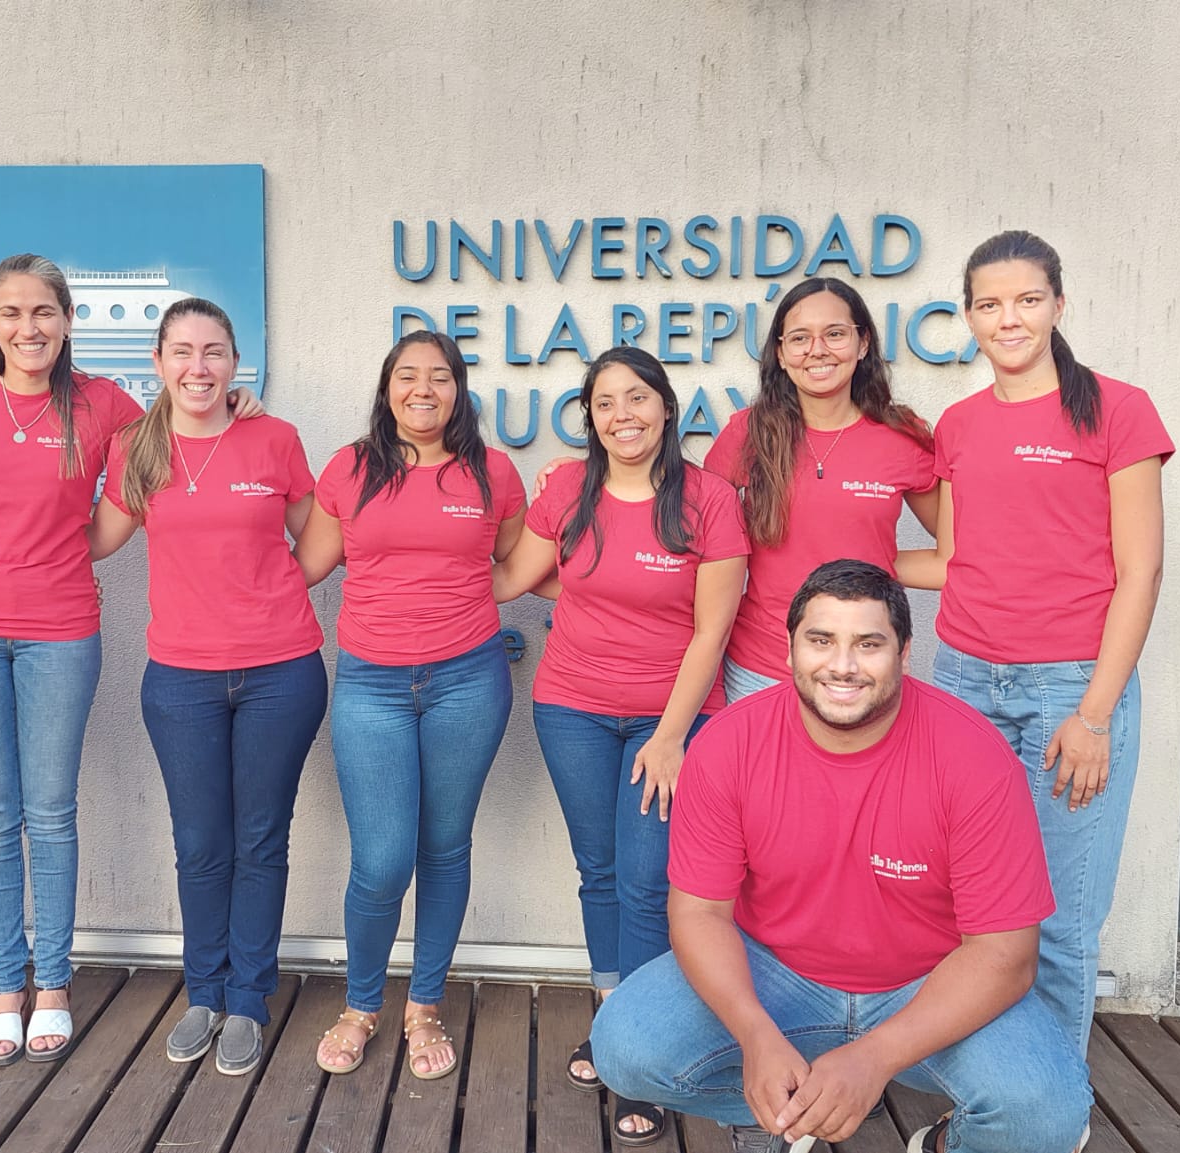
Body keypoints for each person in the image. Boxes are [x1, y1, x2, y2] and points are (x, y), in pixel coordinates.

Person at [589, 561, 1092, 1153]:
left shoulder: (973, 756)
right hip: (775, 973)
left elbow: (1006, 955)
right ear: (790, 649)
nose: (843, 665)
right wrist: (755, 1037)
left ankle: (938, 1141)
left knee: (1048, 1117)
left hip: (925, 980)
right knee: (624, 1050)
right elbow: (699, 914)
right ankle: (780, 1110)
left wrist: (875, 1059)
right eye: (821, 640)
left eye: (869, 644)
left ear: (905, 654)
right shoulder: (728, 743)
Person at [0, 255, 261, 1066]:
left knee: (51, 808)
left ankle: (52, 984)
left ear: (69, 320)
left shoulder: (105, 405)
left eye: (44, 311)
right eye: (11, 312)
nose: (28, 327)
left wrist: (245, 406)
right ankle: (5, 985)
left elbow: (186, 427)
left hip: (60, 627)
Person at [930, 230, 1172, 1069]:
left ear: (1059, 305)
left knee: (1060, 921)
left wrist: (1094, 714)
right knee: (970, 911)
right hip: (962, 681)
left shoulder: (1117, 408)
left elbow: (1141, 575)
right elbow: (955, 555)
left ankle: (1049, 1111)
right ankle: (992, 1090)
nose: (1009, 318)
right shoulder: (957, 425)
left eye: (1027, 300)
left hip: (1071, 689)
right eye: (989, 304)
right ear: (967, 316)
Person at [495, 345, 746, 1146]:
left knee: (645, 883)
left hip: (670, 722)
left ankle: (644, 1053)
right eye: (605, 402)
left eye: (637, 398)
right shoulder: (570, 489)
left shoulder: (708, 497)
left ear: (665, 408)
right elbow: (513, 576)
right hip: (570, 708)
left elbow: (714, 629)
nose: (622, 414)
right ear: (590, 416)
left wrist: (672, 737)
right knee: (598, 871)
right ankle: (613, 1026)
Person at [90, 297, 326, 1077]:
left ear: (236, 362)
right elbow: (94, 538)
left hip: (281, 671)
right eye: (183, 351)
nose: (200, 366)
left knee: (261, 839)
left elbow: (318, 531)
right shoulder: (137, 449)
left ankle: (250, 998)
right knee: (200, 842)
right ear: (157, 362)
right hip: (182, 678)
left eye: (215, 350)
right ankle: (205, 990)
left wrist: (278, 587)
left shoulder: (274, 438)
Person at [293, 331, 525, 1081]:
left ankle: (424, 1004)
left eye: (440, 377)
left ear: (460, 390)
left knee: (445, 846)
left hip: (468, 680)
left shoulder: (492, 472)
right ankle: (363, 1003)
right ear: (387, 386)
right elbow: (308, 564)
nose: (422, 389)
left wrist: (456, 602)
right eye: (407, 375)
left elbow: (519, 561)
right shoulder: (351, 467)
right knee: (383, 858)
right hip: (372, 684)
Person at [701, 276, 939, 699]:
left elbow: (953, 558)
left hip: (860, 669)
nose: (817, 350)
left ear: (863, 343)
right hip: (758, 668)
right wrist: (580, 472)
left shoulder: (902, 435)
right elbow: (690, 533)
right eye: (799, 337)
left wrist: (868, 564)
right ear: (781, 352)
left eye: (834, 333)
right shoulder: (749, 432)